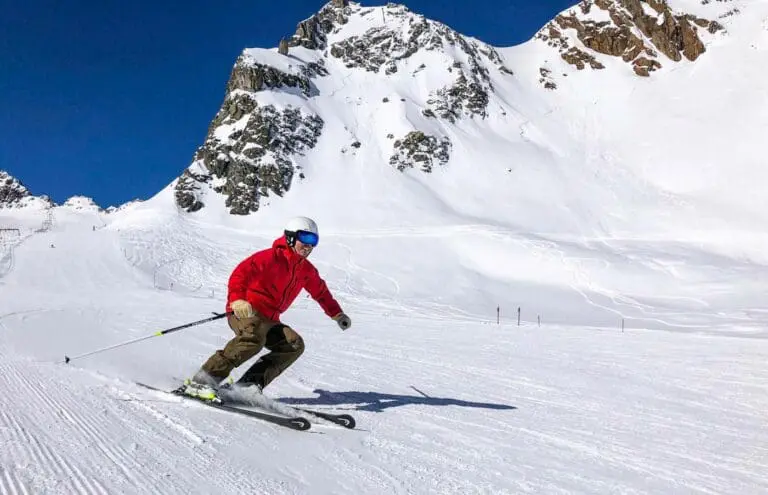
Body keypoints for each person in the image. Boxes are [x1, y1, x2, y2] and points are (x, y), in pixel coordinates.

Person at [183, 216, 351, 400]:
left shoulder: (306, 270)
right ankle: (202, 382)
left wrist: (337, 314)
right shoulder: (270, 257)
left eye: (314, 241)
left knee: (294, 344)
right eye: (305, 238)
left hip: (270, 320)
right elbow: (240, 274)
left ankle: (248, 385)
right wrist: (237, 300)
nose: (309, 245)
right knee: (252, 338)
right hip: (247, 311)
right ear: (291, 237)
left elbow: (321, 292)